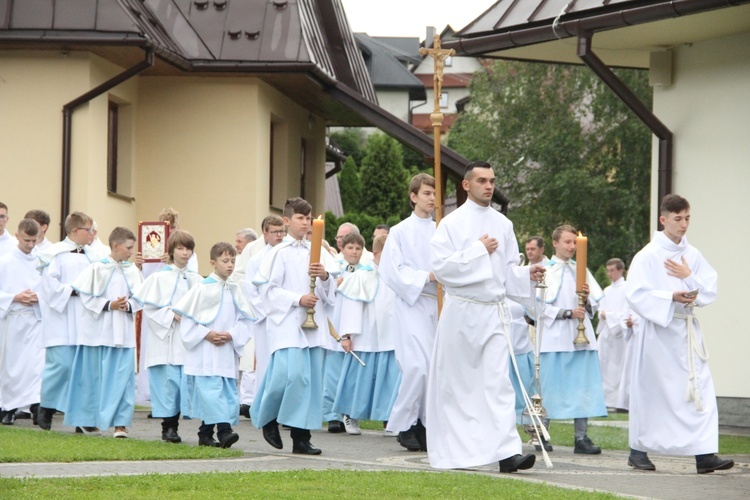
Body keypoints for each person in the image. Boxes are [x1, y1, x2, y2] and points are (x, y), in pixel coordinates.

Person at [427, 161, 544, 472]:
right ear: (467, 185)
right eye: (481, 180)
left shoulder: (503, 225)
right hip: (461, 312)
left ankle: (508, 454)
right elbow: (442, 269)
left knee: (497, 383)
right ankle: (456, 452)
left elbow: (505, 274)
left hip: (493, 313)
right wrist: (478, 250)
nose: (488, 186)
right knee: (459, 385)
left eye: (492, 180)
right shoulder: (450, 224)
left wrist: (527, 274)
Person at [625, 194, 733, 474]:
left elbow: (708, 290)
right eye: (678, 219)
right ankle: (638, 450)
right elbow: (635, 294)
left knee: (700, 390)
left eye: (687, 218)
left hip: (686, 331)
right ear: (663, 220)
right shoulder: (647, 255)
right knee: (654, 391)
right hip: (658, 332)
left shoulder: (693, 255)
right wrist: (670, 295)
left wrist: (688, 275)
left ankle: (704, 454)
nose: (684, 225)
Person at [251, 197, 336, 455]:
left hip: (313, 325)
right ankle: (267, 416)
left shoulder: (318, 251)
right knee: (288, 375)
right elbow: (268, 291)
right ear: (287, 221)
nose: (306, 223)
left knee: (309, 382)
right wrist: (297, 299)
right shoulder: (279, 253)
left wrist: (324, 276)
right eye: (300, 218)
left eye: (309, 219)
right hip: (288, 323)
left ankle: (302, 438)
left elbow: (331, 292)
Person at [173, 242, 255, 448]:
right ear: (213, 262)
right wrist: (207, 334)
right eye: (225, 261)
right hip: (206, 352)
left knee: (224, 393)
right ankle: (225, 431)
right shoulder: (201, 289)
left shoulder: (235, 289)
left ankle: (205, 433)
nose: (230, 265)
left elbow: (245, 321)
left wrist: (231, 335)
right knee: (211, 392)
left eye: (233, 261)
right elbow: (188, 321)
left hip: (225, 351)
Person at [378, 173, 438, 451]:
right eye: (426, 193)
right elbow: (391, 271)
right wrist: (426, 276)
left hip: (438, 307)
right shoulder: (400, 231)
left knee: (434, 369)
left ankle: (426, 425)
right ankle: (405, 425)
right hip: (411, 304)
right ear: (413, 196)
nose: (432, 199)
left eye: (435, 193)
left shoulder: (442, 230)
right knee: (416, 367)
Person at [68, 227, 143, 438]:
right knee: (92, 377)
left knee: (122, 379)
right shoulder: (96, 269)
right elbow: (86, 297)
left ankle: (120, 423)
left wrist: (127, 305)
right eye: (128, 248)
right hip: (97, 332)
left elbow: (141, 298)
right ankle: (87, 420)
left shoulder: (132, 271)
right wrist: (110, 304)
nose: (131, 252)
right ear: (116, 246)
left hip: (122, 333)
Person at [539, 225, 606, 454]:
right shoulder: (544, 270)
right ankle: (541, 434)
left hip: (581, 338)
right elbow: (536, 307)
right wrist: (567, 313)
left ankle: (581, 438)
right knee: (549, 387)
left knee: (582, 387)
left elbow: (594, 305)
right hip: (555, 338)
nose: (571, 247)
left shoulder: (582, 269)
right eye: (567, 242)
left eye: (574, 243)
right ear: (555, 243)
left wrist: (586, 300)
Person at [133, 230, 202, 443]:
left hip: (187, 339)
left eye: (188, 248)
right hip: (166, 337)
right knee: (167, 382)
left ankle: (186, 421)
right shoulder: (158, 278)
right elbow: (150, 308)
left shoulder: (197, 280)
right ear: (171, 251)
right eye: (180, 248)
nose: (185, 253)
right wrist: (171, 314)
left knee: (184, 382)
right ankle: (168, 426)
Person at [333, 233, 400, 435]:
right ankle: (349, 414)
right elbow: (351, 307)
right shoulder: (361, 276)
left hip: (391, 336)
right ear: (377, 253)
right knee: (357, 379)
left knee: (390, 380)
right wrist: (346, 336)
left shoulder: (397, 276)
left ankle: (390, 420)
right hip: (366, 337)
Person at [36, 212, 97, 430]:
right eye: (88, 230)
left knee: (84, 369)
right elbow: (48, 286)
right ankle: (47, 408)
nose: (91, 234)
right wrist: (73, 290)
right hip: (61, 318)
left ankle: (83, 418)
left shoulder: (93, 256)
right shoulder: (54, 254)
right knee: (60, 365)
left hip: (84, 318)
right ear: (74, 231)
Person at [238, 215, 286, 419]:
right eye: (275, 232)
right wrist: (268, 311)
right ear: (265, 233)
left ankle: (284, 409)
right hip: (265, 318)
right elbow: (251, 290)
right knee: (265, 363)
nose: (279, 236)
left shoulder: (287, 254)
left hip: (286, 317)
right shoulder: (257, 259)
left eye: (281, 231)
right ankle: (264, 409)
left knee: (285, 364)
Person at [0, 219, 43, 426]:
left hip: (35, 320)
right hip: (13, 319)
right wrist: (14, 297)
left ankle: (35, 405)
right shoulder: (5, 261)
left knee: (35, 366)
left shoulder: (40, 262)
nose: (30, 245)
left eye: (34, 241)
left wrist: (38, 298)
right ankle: (8, 406)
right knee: (12, 367)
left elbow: (49, 289)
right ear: (17, 236)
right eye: (27, 240)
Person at [325, 231, 366, 435]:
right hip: (335, 326)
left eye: (358, 248)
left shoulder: (366, 272)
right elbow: (325, 293)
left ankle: (350, 413)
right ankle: (333, 416)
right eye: (350, 247)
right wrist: (335, 285)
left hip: (356, 328)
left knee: (352, 375)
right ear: (342, 249)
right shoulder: (334, 270)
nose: (354, 252)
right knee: (333, 375)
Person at [596, 258, 629, 410]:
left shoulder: (628, 288)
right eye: (608, 271)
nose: (609, 274)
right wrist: (604, 315)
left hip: (620, 335)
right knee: (604, 366)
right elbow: (600, 309)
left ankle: (618, 401)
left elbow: (626, 312)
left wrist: (608, 316)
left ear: (620, 270)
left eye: (612, 270)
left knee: (618, 368)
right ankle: (606, 400)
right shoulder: (607, 291)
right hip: (606, 335)